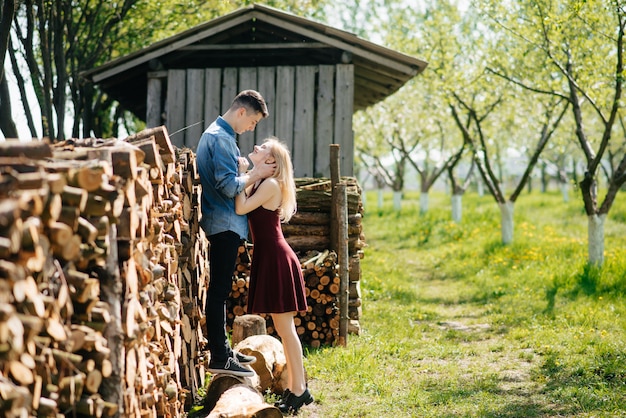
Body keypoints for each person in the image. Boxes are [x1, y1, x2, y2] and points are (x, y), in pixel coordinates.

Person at [196, 90, 275, 377]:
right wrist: (255, 174)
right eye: (253, 122)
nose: (252, 128)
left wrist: (244, 168)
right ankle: (219, 356)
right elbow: (229, 187)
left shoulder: (219, 136)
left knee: (222, 291)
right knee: (218, 293)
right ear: (242, 112)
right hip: (224, 225)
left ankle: (225, 349)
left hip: (224, 224)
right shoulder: (221, 138)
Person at [235, 137, 314, 414]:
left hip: (277, 258)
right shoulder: (261, 182)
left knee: (286, 330)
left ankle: (300, 390)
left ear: (271, 162)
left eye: (263, 148)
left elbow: (241, 208)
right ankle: (297, 388)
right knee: (284, 329)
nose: (256, 148)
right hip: (270, 256)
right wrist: (247, 177)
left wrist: (242, 176)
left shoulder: (269, 185)